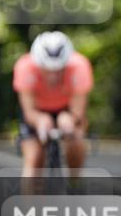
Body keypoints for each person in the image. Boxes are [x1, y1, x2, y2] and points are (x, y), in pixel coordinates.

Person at [13, 31, 94, 179]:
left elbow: (78, 110)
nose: (53, 76)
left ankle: (74, 181)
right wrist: (39, 119)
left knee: (76, 142)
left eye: (59, 70)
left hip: (67, 109)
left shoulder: (80, 66)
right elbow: (28, 111)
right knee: (34, 159)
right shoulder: (25, 67)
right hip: (37, 111)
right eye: (47, 70)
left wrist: (70, 119)